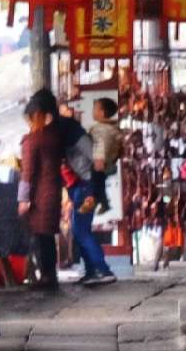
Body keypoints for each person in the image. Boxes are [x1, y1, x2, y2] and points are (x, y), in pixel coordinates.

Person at [42, 90, 115, 286]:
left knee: (81, 229)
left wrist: (93, 185)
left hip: (85, 185)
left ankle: (102, 269)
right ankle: (91, 270)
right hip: (79, 186)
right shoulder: (63, 129)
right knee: (79, 228)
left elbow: (95, 159)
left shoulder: (72, 132)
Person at [18, 93, 66, 288]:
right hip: (54, 190)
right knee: (47, 235)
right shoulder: (55, 136)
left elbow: (27, 172)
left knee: (39, 235)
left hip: (39, 195)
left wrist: (23, 199)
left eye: (29, 118)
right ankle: (49, 274)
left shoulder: (33, 140)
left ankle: (46, 276)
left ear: (36, 115)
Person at [90, 98, 124, 212]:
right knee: (99, 184)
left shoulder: (100, 129)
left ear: (102, 113)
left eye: (95, 109)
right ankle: (102, 202)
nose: (93, 111)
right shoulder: (113, 128)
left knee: (97, 183)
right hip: (107, 164)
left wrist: (98, 162)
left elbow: (100, 147)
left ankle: (101, 201)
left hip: (100, 164)